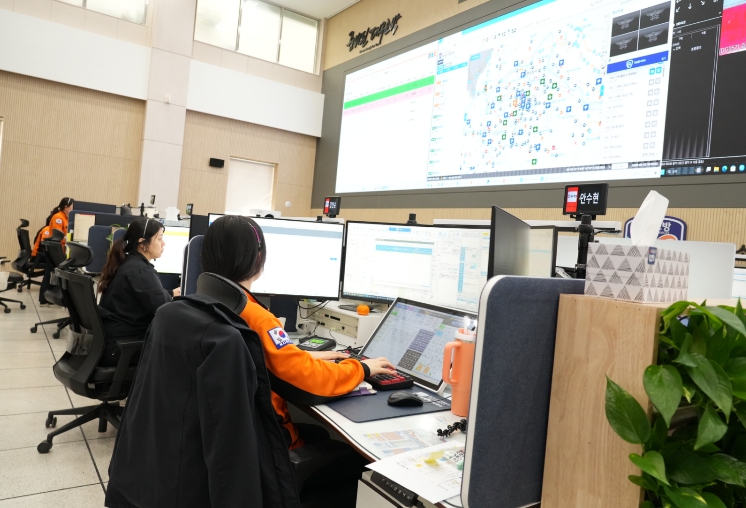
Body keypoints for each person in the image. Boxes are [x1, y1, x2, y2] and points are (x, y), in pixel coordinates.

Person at [201, 215, 395, 449]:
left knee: (318, 434)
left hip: (227, 442)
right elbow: (311, 381)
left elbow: (253, 358)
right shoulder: (257, 318)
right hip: (271, 448)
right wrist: (362, 368)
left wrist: (298, 355)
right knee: (343, 451)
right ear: (258, 258)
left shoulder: (202, 303)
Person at [97, 217, 180, 366]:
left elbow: (143, 296)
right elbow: (165, 309)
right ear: (143, 243)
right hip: (123, 348)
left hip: (112, 342)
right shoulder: (140, 271)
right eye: (159, 238)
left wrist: (171, 293)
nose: (163, 243)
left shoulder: (128, 263)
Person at [36, 197, 74, 305]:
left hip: (59, 250)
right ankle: (43, 298)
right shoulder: (58, 217)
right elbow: (58, 235)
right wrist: (70, 239)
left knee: (52, 273)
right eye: (72, 207)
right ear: (66, 207)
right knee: (49, 273)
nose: (73, 209)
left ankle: (49, 298)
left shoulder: (65, 218)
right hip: (54, 250)